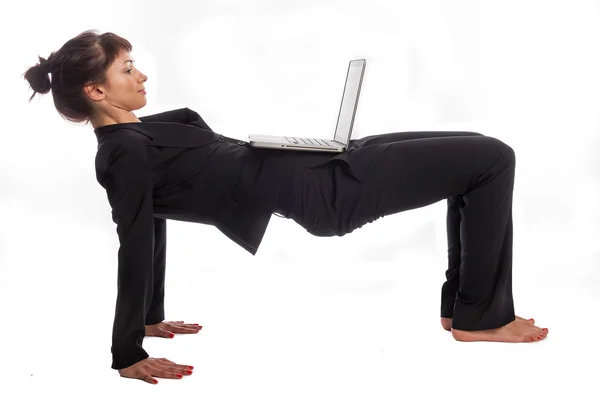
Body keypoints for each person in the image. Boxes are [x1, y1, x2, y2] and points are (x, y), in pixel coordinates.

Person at [23, 29, 548, 385]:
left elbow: (157, 213)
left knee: (476, 145)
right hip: (329, 194)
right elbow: (136, 237)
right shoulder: (123, 156)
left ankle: (463, 308)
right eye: (127, 69)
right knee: (492, 158)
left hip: (320, 166)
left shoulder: (137, 134)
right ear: (96, 89)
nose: (139, 76)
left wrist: (152, 316)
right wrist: (128, 351)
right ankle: (479, 318)